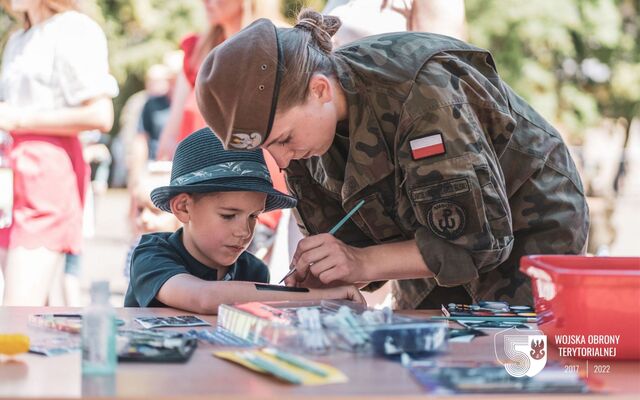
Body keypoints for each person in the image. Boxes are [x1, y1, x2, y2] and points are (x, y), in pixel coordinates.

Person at [195, 10, 590, 309]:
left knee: (513, 360)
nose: (280, 160)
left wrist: (362, 263)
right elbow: (350, 250)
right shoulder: (305, 136)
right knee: (416, 361)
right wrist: (326, 274)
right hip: (426, 239)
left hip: (529, 220)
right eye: (269, 148)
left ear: (319, 90)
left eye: (283, 139)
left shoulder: (420, 92)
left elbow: (479, 240)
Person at [124, 128, 365, 313]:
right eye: (228, 215)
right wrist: (317, 296)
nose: (244, 231)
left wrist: (308, 290)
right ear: (184, 207)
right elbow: (204, 298)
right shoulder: (151, 254)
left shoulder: (254, 271)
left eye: (253, 216)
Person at [0, 0, 118, 305]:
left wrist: (19, 120)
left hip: (46, 176)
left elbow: (100, 114)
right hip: (11, 178)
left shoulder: (74, 28)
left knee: (17, 313)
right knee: (31, 313)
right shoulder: (18, 38)